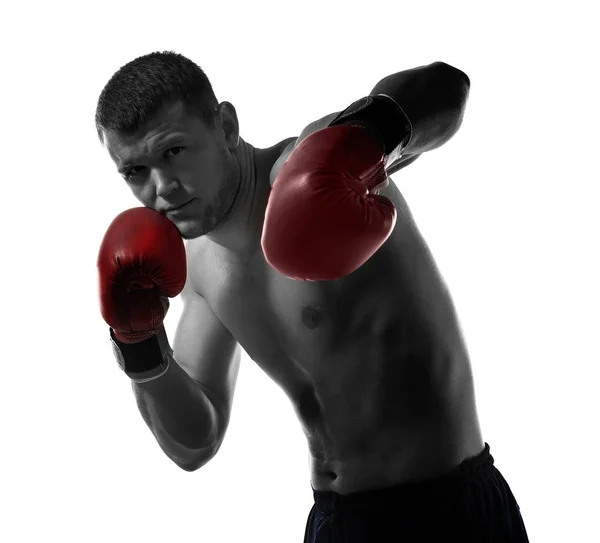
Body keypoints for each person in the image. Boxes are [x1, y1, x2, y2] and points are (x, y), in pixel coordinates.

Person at [95, 51, 529, 542]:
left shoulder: (311, 166)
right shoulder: (195, 266)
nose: (162, 188)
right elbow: (194, 443)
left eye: (174, 152)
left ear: (226, 126)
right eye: (135, 172)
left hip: (444, 512)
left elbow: (446, 88)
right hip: (334, 522)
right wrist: (139, 344)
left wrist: (362, 140)